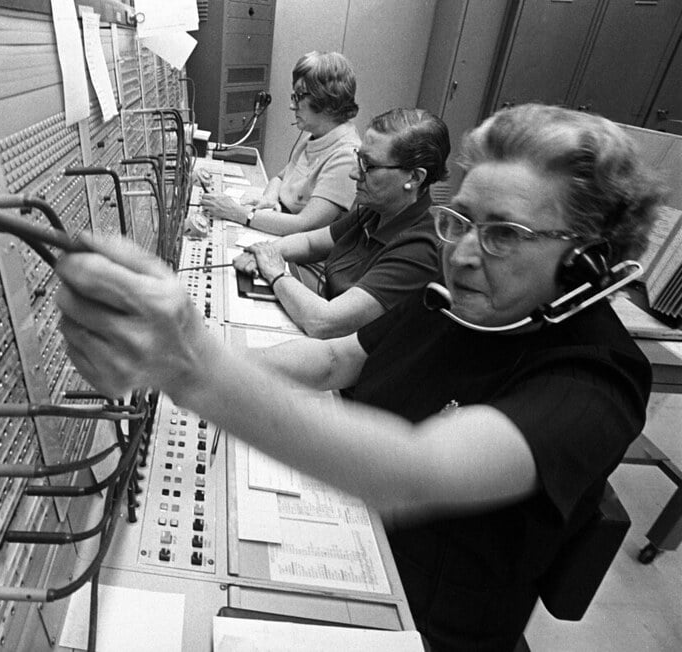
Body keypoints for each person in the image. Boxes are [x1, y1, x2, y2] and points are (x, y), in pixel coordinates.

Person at [54, 104, 662, 651]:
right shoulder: (459, 301)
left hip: (424, 624)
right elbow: (337, 359)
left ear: (587, 261)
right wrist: (190, 363)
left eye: (504, 234)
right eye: (461, 220)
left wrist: (192, 369)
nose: (463, 253)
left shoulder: (595, 380)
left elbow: (412, 473)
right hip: (362, 537)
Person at [234, 108, 449, 338]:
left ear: (414, 178)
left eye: (369, 165)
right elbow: (311, 243)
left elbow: (324, 322)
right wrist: (265, 251)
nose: (354, 173)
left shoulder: (420, 249)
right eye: (359, 158)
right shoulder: (376, 211)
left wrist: (275, 272)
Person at [200, 51, 360, 236]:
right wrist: (269, 198)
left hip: (300, 249)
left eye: (298, 97)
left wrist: (239, 213)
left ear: (325, 100)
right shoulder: (316, 136)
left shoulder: (346, 157)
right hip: (282, 231)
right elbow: (280, 178)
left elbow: (305, 225)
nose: (292, 106)